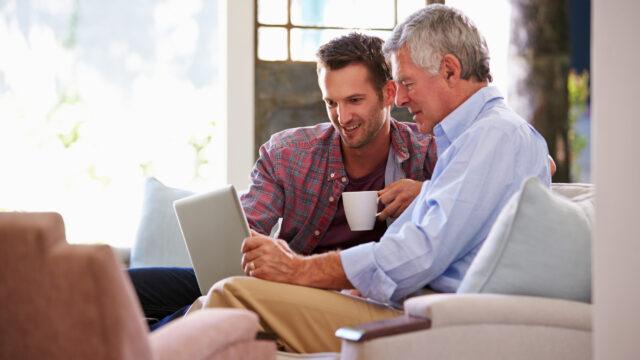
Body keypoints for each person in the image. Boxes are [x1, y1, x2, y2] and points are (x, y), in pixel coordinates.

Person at [188, 4, 552, 354]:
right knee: (210, 294)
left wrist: (298, 269)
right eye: (332, 103)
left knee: (231, 294)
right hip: (407, 305)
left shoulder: (494, 137)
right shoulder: (475, 138)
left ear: (450, 70)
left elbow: (419, 253)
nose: (403, 97)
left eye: (407, 83)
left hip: (428, 320)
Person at [128, 32, 436, 329]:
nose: (343, 117)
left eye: (355, 100)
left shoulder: (427, 153)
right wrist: (256, 249)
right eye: (331, 103)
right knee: (124, 285)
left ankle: (142, 347)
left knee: (220, 302)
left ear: (389, 94)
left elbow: (467, 211)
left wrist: (426, 192)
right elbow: (250, 228)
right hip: (285, 284)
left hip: (346, 299)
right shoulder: (290, 153)